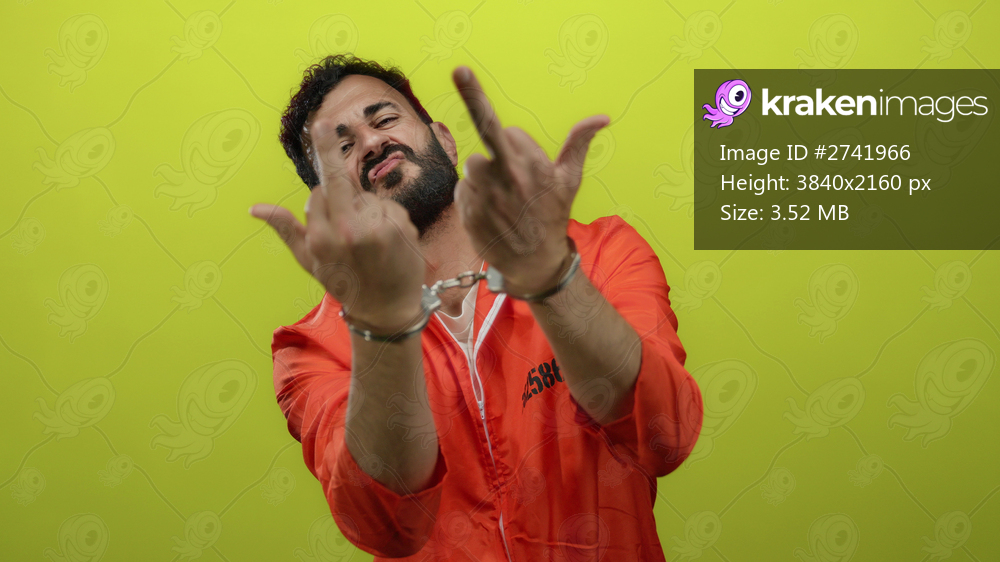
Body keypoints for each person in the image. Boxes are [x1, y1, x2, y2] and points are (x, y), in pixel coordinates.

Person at [250, 53, 704, 561]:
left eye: (385, 119)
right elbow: (386, 527)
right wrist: (383, 326)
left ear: (443, 139)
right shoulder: (310, 348)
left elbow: (666, 436)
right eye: (343, 147)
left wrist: (552, 279)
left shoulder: (601, 255)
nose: (372, 143)